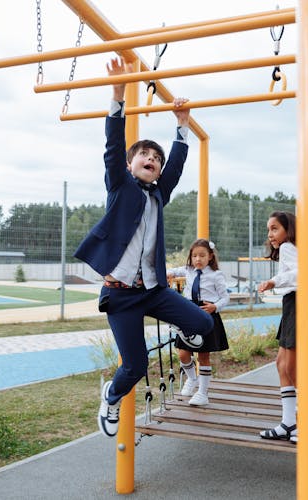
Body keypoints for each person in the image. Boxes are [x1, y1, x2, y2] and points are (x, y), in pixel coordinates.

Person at [74, 57, 214, 438]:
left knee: (202, 322)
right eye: (145, 156)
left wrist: (182, 126)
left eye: (156, 158)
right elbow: (113, 146)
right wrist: (118, 93)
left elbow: (177, 167)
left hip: (153, 290)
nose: (152, 160)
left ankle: (182, 338)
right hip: (120, 295)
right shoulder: (120, 188)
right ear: (131, 164)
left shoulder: (159, 195)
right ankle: (112, 396)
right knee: (134, 367)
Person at [167, 238, 230, 406]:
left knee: (203, 355)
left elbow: (225, 297)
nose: (197, 259)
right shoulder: (188, 270)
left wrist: (215, 307)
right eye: (194, 256)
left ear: (210, 256)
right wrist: (168, 273)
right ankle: (192, 379)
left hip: (206, 313)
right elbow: (173, 271)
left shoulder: (216, 275)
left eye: (202, 255)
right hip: (188, 312)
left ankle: (203, 393)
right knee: (183, 352)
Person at [257, 211, 298, 444]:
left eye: (275, 229)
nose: (270, 234)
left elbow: (300, 273)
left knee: (292, 367)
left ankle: (306, 420)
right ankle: (288, 422)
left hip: (297, 302)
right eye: (269, 230)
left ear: (287, 229)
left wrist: (273, 281)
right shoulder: (289, 248)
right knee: (282, 364)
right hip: (291, 303)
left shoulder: (288, 247)